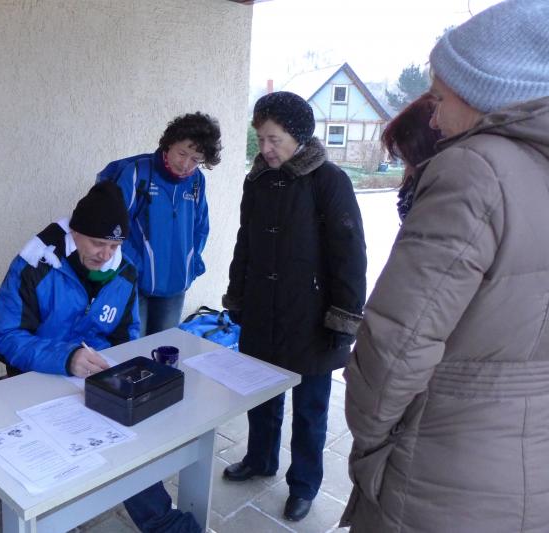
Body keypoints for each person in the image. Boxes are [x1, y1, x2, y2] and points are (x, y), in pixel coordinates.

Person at [341, 0, 549, 531]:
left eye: (438, 99)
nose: (432, 118)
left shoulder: (475, 169)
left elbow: (398, 344)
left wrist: (370, 440)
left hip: (441, 469)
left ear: (487, 92)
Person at [0, 181, 201, 533]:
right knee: (62, 461)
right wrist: (66, 357)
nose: (106, 254)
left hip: (95, 380)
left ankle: (167, 525)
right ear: (75, 233)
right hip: (36, 380)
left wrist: (116, 374)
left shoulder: (125, 271)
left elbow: (127, 336)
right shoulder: (34, 264)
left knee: (130, 437)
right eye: (97, 243)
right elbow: (4, 337)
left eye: (114, 245)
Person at [221, 91, 367, 522]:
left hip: (312, 317)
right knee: (260, 393)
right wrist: (237, 294)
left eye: (275, 139)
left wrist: (344, 317)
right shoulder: (257, 181)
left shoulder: (329, 181)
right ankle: (260, 458)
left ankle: (303, 484)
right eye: (261, 138)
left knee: (310, 408)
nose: (265, 149)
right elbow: (245, 242)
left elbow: (350, 253)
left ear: (299, 137)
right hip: (262, 309)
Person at [104, 112, 222, 336]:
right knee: (134, 348)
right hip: (134, 283)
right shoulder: (137, 173)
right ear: (169, 144)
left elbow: (200, 228)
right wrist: (136, 268)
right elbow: (115, 227)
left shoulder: (197, 181)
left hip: (175, 285)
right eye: (182, 153)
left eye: (195, 159)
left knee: (164, 347)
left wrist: (191, 264)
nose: (186, 164)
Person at [380, 93, 442, 221]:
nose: (407, 171)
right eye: (404, 159)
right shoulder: (416, 189)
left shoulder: (441, 199)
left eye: (408, 159)